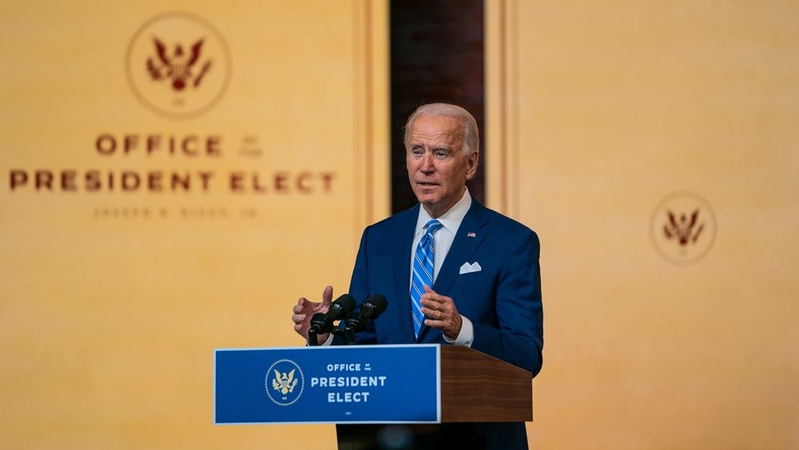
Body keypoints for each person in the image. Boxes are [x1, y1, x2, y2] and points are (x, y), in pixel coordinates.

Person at [291, 103, 543, 450]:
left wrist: (462, 329)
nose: (425, 166)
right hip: (390, 436)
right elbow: (366, 344)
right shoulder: (378, 239)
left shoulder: (510, 241)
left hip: (477, 439)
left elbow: (527, 355)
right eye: (416, 151)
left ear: (470, 163)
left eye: (441, 153)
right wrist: (326, 339)